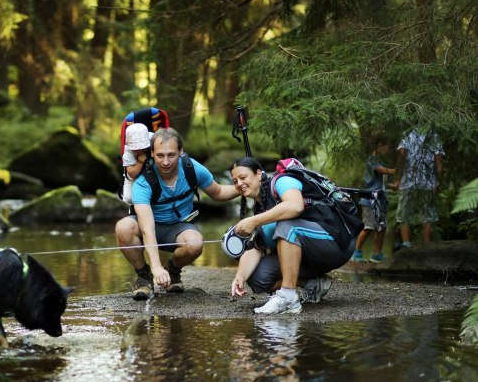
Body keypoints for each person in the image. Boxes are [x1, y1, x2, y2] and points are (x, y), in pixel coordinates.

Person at [115, 128, 239, 300]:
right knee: (123, 227)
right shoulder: (143, 180)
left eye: (171, 155)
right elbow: (147, 229)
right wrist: (155, 267)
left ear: (181, 152)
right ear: (151, 153)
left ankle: (172, 271)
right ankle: (144, 277)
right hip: (151, 227)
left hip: (178, 227)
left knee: (195, 243)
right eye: (160, 155)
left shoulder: (191, 168)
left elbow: (217, 192)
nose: (166, 161)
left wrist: (243, 188)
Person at [228, 157, 356, 314]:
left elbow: (295, 206)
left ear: (259, 174)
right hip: (310, 255)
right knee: (257, 278)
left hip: (336, 243)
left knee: (286, 226)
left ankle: (288, 297)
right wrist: (239, 277)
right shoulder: (260, 208)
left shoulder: (281, 181)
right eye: (235, 181)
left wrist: (254, 221)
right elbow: (256, 247)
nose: (239, 184)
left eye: (243, 177)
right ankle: (313, 284)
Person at [390, 128, 444, 247]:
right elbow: (439, 161)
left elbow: (402, 157)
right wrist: (438, 181)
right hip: (428, 183)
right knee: (428, 215)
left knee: (404, 215)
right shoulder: (434, 135)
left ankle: (406, 244)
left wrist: (397, 181)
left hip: (408, 182)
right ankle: (426, 246)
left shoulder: (407, 134)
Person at [353, 138, 396, 263]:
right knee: (369, 226)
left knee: (382, 227)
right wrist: (394, 170)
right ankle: (356, 252)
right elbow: (381, 170)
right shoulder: (372, 159)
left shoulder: (380, 160)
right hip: (369, 200)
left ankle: (377, 253)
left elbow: (380, 181)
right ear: (379, 146)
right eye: (386, 146)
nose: (387, 150)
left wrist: (392, 185)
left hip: (380, 200)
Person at [120, 123, 152, 204]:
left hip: (153, 168)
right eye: (136, 149)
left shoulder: (155, 139)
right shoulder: (128, 150)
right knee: (129, 198)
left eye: (143, 148)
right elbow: (132, 174)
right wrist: (140, 162)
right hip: (134, 168)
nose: (140, 151)